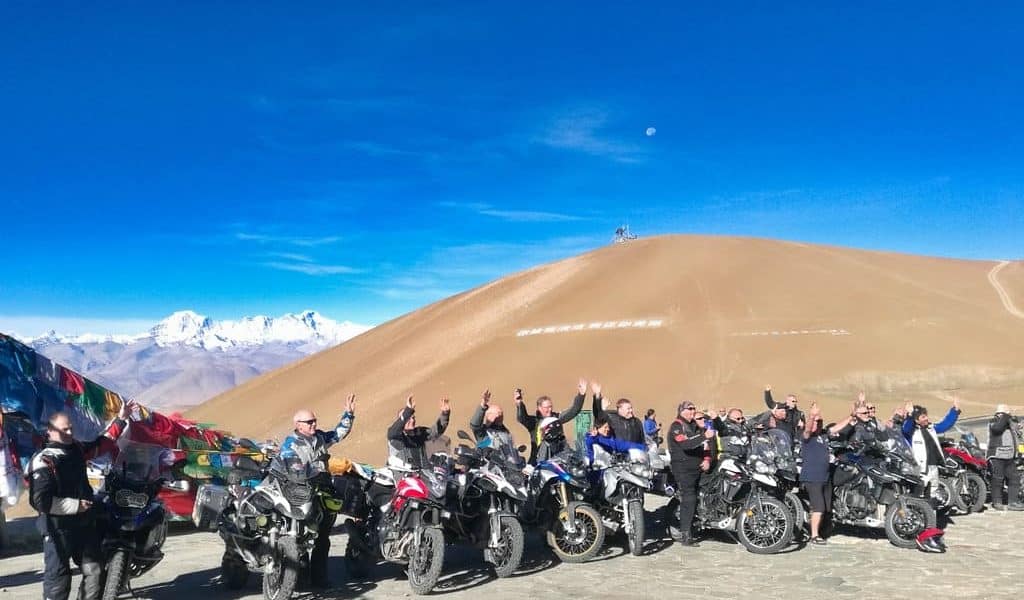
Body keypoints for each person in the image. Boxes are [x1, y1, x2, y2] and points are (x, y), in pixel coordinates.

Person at [28, 400, 136, 600]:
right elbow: (39, 501)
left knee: (95, 570)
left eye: (71, 429)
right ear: (50, 431)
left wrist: (121, 419)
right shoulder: (43, 461)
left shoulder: (76, 449)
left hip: (84, 524)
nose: (69, 433)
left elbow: (101, 444)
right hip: (57, 527)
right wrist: (74, 505)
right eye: (64, 430)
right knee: (58, 578)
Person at [277, 394, 356, 588]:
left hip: (323, 492)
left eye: (314, 421)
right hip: (300, 493)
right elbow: (292, 467)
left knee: (323, 537)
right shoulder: (290, 444)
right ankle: (298, 578)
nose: (313, 424)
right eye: (309, 422)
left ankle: (319, 578)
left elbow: (338, 433)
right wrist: (309, 469)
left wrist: (349, 415)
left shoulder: (320, 438)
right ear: (298, 424)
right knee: (301, 536)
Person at [667, 401, 715, 547]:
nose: (693, 411)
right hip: (683, 469)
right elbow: (686, 444)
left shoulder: (695, 426)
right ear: (682, 411)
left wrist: (707, 459)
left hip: (698, 468)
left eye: (694, 408)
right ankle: (686, 535)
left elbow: (706, 446)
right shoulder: (677, 426)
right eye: (690, 409)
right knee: (689, 499)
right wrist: (704, 436)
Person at [515, 380, 586, 463]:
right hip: (537, 461)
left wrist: (581, 395)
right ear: (539, 408)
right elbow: (522, 418)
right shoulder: (534, 422)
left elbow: (573, 411)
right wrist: (519, 403)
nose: (550, 409)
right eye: (546, 407)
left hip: (558, 460)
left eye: (551, 407)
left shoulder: (556, 418)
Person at [901, 397, 961, 494]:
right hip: (919, 469)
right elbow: (906, 428)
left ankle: (932, 508)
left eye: (926, 416)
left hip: (933, 466)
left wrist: (954, 411)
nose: (926, 419)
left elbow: (944, 425)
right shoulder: (911, 432)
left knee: (934, 492)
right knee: (920, 492)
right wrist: (910, 415)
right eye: (923, 417)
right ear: (916, 420)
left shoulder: (931, 428)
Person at [387, 395, 451, 469]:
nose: (412, 420)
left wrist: (445, 414)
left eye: (413, 418)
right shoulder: (395, 436)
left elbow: (436, 431)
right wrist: (408, 411)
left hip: (421, 474)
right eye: (408, 418)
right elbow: (394, 431)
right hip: (401, 475)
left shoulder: (419, 433)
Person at [800, 403, 831, 545]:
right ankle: (814, 536)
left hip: (824, 477)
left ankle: (822, 530)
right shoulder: (807, 437)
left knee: (825, 508)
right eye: (816, 422)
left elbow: (838, 428)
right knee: (818, 508)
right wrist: (812, 416)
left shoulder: (823, 435)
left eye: (820, 422)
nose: (818, 424)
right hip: (812, 478)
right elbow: (807, 430)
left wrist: (852, 416)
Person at [987, 404, 1023, 511]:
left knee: (1015, 478)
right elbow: (997, 429)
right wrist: (1006, 416)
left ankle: (1013, 502)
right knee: (997, 479)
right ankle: (997, 502)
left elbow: (1017, 429)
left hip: (1009, 456)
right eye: (1006, 413)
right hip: (997, 455)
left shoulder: (1009, 423)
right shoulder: (993, 422)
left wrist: (1018, 424)